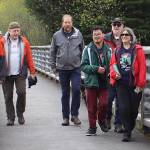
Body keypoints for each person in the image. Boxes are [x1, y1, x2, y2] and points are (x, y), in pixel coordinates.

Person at [110, 27, 146, 142]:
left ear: (131, 37)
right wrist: (114, 75)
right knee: (124, 108)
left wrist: (140, 84)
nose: (124, 36)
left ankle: (130, 126)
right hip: (121, 84)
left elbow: (142, 68)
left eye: (126, 35)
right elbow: (112, 65)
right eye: (122, 35)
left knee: (133, 110)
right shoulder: (117, 50)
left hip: (135, 85)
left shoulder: (137, 50)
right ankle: (127, 132)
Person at [50, 14, 84, 126]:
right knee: (65, 93)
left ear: (72, 23)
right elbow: (52, 52)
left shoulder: (78, 34)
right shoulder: (56, 35)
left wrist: (83, 64)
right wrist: (53, 66)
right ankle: (65, 117)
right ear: (62, 23)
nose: (67, 24)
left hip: (76, 68)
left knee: (76, 90)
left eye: (69, 22)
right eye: (65, 22)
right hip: (62, 68)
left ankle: (74, 115)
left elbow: (82, 50)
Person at [0, 22, 36, 126]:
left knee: (21, 93)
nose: (16, 33)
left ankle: (20, 114)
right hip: (6, 74)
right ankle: (10, 118)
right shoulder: (2, 41)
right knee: (8, 96)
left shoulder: (24, 41)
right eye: (14, 31)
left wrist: (32, 72)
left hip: (20, 73)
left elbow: (29, 57)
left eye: (18, 30)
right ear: (9, 31)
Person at [81, 26, 111, 136]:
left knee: (104, 103)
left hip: (104, 82)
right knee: (91, 106)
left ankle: (101, 120)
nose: (97, 36)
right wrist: (95, 68)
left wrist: (110, 73)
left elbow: (112, 65)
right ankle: (92, 128)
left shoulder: (108, 49)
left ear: (103, 35)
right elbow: (83, 66)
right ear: (92, 37)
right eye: (95, 35)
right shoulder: (87, 49)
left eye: (99, 34)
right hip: (91, 82)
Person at [104, 17, 124, 132]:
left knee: (120, 100)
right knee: (108, 99)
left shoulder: (127, 37)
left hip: (122, 75)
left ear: (122, 26)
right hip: (108, 74)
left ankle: (118, 123)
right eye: (114, 24)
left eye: (118, 24)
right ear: (111, 26)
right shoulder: (105, 38)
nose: (116, 26)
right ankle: (107, 118)